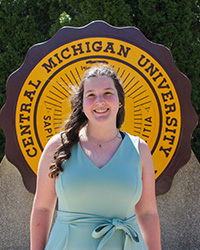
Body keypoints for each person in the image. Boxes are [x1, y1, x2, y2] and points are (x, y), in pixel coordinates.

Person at [30, 64, 161, 250]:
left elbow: (148, 213)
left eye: (108, 93)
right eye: (91, 95)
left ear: (120, 101)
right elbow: (42, 209)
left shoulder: (139, 149)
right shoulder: (57, 147)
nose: (100, 101)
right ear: (82, 104)